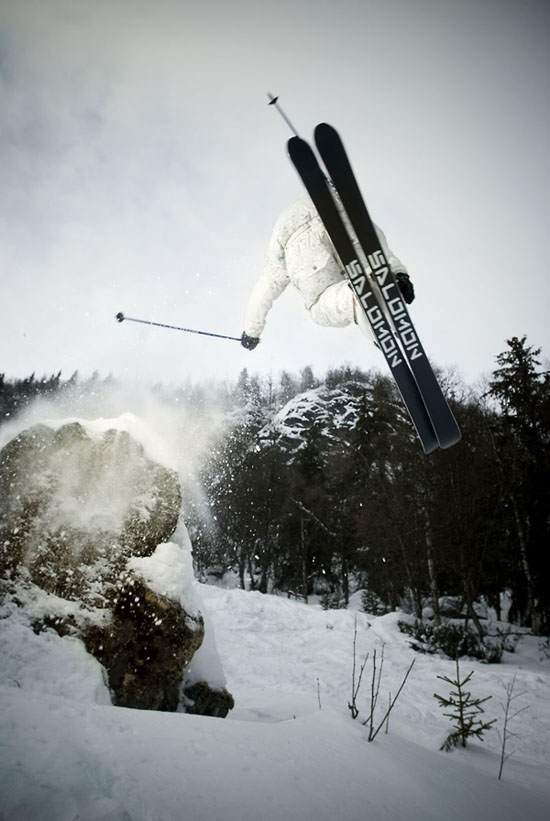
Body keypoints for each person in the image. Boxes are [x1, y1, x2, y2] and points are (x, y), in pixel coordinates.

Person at [241, 192, 414, 350]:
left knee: (320, 305)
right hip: (332, 215)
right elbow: (370, 235)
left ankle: (351, 298)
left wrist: (251, 331)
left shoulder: (278, 239)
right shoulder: (313, 200)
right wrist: (396, 270)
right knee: (366, 249)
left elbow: (265, 287)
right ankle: (379, 279)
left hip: (296, 249)